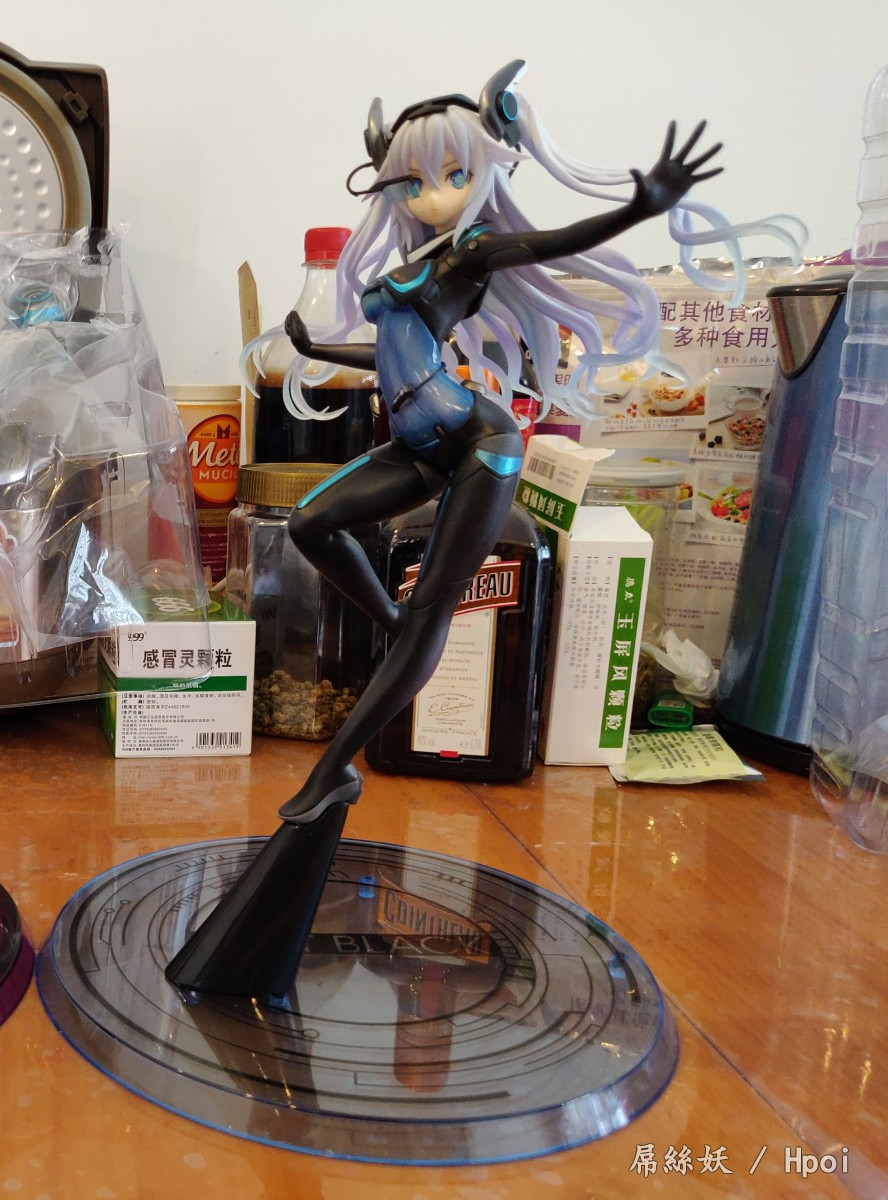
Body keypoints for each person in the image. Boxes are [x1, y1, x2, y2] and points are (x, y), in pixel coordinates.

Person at [252, 60, 803, 824]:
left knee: (433, 609)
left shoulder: (472, 250)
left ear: (484, 171)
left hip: (479, 442)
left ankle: (333, 770)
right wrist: (315, 347)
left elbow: (552, 243)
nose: (432, 194)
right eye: (412, 181)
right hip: (419, 440)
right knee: (311, 525)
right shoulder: (414, 263)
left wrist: (639, 206)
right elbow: (394, 354)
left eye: (453, 174)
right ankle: (396, 625)